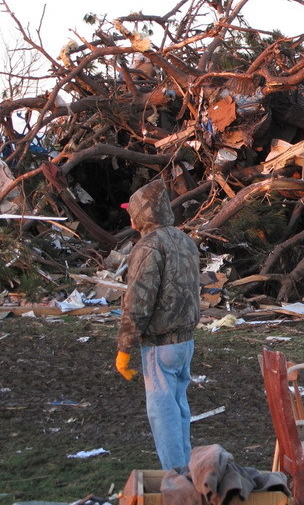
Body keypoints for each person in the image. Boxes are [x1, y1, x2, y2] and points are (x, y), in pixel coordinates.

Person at [115, 179, 201, 470]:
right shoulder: (185, 240)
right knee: (179, 409)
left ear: (142, 215)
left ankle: (176, 479)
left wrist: (124, 348)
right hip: (186, 342)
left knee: (162, 413)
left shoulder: (148, 246)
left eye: (132, 212)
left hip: (160, 345)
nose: (130, 217)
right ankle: (186, 471)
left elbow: (138, 300)